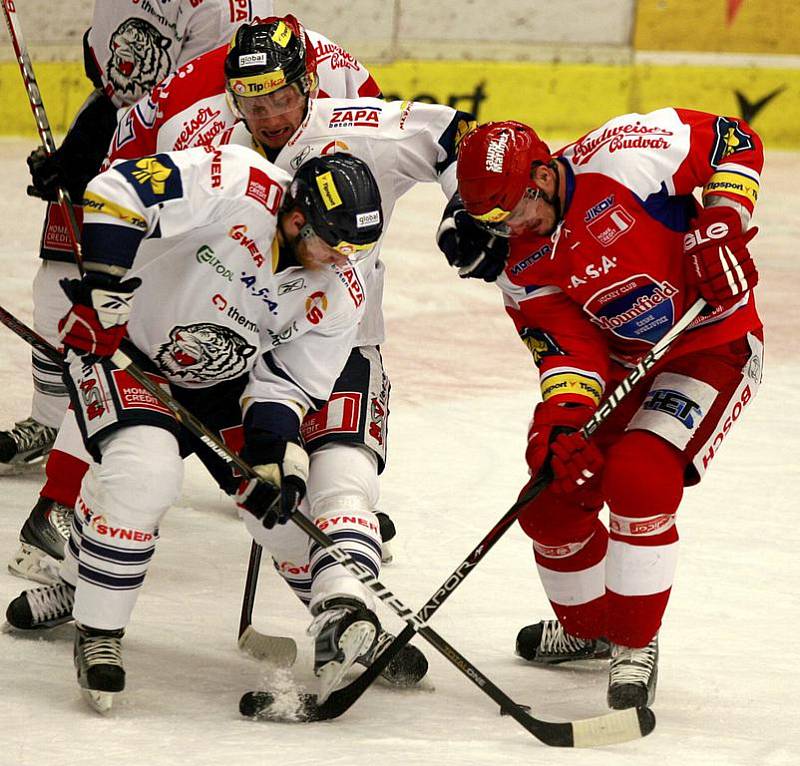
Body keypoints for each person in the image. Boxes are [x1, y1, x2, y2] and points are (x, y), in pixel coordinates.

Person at [8, 14, 385, 584]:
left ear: (305, 78)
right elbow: (128, 158)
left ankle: (328, 526)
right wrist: (90, 193)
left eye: (282, 98)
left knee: (289, 384)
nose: (272, 116)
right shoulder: (188, 98)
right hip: (199, 256)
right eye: (254, 103)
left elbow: (382, 147)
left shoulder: (336, 67)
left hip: (308, 261)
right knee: (128, 355)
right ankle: (63, 505)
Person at [9, 145, 385, 712]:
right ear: (297, 217)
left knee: (280, 512)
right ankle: (98, 628)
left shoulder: (338, 290)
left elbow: (287, 383)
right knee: (145, 472)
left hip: (223, 383)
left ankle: (342, 620)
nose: (340, 262)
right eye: (332, 246)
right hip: (123, 346)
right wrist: (104, 287)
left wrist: (266, 454)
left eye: (352, 251)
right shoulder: (238, 180)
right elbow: (117, 191)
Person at [449, 111, 764, 710]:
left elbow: (735, 140)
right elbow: (570, 352)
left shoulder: (625, 155)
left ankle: (633, 642)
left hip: (710, 341)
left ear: (542, 175)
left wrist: (722, 219)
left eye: (516, 211)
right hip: (625, 367)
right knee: (548, 498)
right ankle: (590, 630)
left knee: (641, 474)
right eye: (495, 222)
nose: (512, 229)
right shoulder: (518, 262)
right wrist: (561, 422)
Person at [0, 0, 274, 470]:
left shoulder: (227, 9)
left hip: (192, 151)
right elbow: (105, 69)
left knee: (195, 308)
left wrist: (89, 151)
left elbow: (190, 101)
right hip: (118, 124)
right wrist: (81, 149)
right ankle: (49, 422)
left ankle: (251, 443)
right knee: (56, 293)